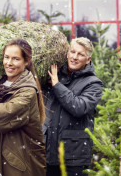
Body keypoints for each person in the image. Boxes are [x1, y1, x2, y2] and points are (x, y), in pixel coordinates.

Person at [0, 38, 46, 176]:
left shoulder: (27, 92)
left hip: (13, 165)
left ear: (26, 61)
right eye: (6, 57)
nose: (9, 63)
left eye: (15, 59)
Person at [43, 37, 103, 176]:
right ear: (67, 53)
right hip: (49, 154)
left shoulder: (93, 83)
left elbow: (79, 107)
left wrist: (57, 85)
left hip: (74, 157)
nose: (74, 57)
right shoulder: (55, 75)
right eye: (72, 52)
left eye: (80, 54)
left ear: (88, 59)